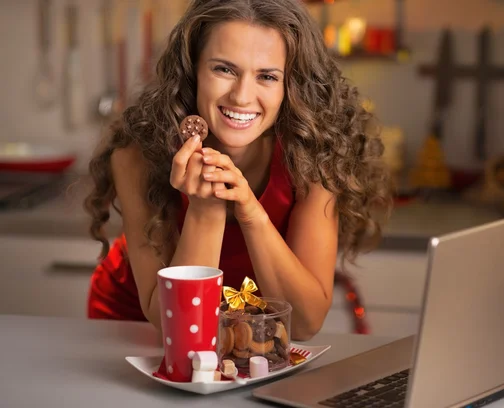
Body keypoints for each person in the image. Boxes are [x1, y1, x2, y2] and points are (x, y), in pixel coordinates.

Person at [84, 0, 393, 341]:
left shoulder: (314, 154)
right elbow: (173, 323)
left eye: (267, 76)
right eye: (224, 70)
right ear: (193, 71)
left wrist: (250, 210)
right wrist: (206, 208)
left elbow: (304, 325)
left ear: (290, 85)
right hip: (134, 328)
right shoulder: (136, 156)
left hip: (249, 333)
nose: (242, 96)